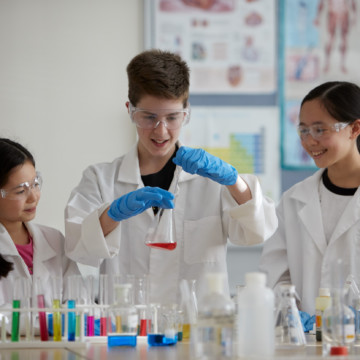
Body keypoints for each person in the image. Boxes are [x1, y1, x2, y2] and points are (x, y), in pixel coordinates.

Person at [65, 49, 277, 304]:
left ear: (186, 112)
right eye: (149, 117)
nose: (161, 130)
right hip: (127, 326)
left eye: (172, 117)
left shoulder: (211, 179)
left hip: (199, 329)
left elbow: (257, 232)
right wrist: (110, 215)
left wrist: (234, 182)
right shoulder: (101, 178)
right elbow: (77, 246)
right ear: (130, 111)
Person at [259, 81, 360, 329]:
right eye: (303, 130)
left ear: (354, 128)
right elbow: (275, 278)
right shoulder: (294, 201)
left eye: (320, 129)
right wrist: (291, 314)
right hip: (307, 346)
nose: (310, 141)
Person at [0, 138, 80, 318]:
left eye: (35, 184)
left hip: (58, 345)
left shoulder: (53, 240)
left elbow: (79, 300)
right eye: (21, 191)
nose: (33, 197)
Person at [313, 0, 357, 73]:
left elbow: (353, 3)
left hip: (344, 14)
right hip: (333, 14)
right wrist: (318, 17)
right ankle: (327, 64)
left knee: (343, 39)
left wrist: (354, 16)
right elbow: (321, 3)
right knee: (330, 39)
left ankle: (342, 65)